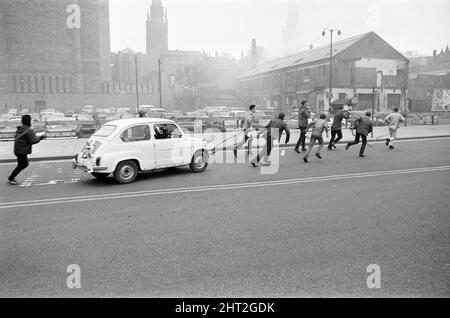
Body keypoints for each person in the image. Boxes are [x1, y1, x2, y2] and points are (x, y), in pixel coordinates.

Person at [7, 114, 46, 185]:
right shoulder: (29, 130)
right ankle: (11, 178)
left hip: (17, 149)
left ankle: (12, 177)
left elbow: (24, 138)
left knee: (21, 164)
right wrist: (41, 137)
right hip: (22, 150)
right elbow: (33, 141)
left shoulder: (20, 129)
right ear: (29, 121)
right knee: (23, 164)